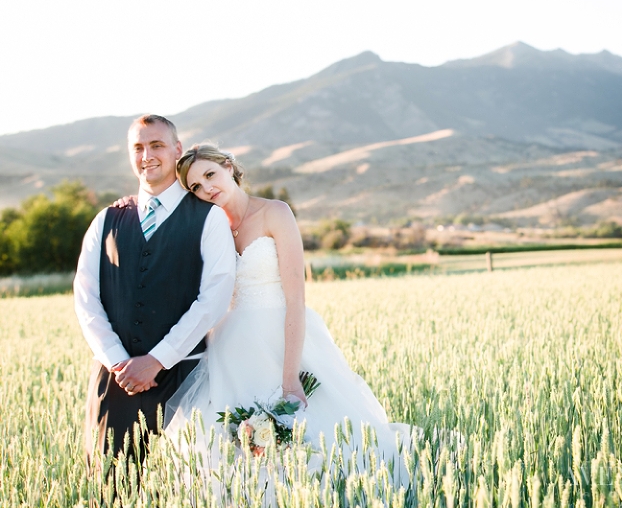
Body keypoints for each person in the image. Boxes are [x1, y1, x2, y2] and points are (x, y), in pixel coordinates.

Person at [162, 144, 410, 482]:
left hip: (282, 339)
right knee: (236, 448)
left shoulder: (274, 212)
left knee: (315, 443)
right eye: (195, 187)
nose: (207, 188)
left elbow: (296, 298)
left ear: (229, 167)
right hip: (231, 349)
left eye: (210, 175)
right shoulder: (210, 226)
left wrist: (290, 377)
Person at [73, 115, 236, 467]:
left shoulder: (210, 218)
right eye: (138, 147)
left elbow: (214, 298)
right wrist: (118, 361)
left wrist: (157, 360)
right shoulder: (105, 220)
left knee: (183, 492)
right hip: (114, 384)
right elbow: (86, 298)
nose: (147, 154)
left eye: (157, 145)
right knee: (109, 490)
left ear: (177, 150)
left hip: (184, 383)